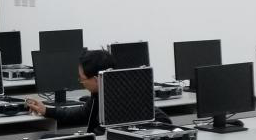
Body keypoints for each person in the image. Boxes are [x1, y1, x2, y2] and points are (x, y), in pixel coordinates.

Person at [26, 49, 170, 134]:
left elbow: (164, 121)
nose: (80, 81)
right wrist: (47, 110)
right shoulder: (100, 94)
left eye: (82, 78)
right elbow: (81, 114)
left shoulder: (123, 97)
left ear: (96, 79)